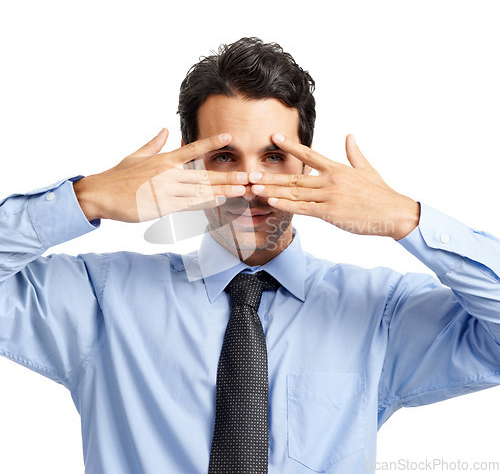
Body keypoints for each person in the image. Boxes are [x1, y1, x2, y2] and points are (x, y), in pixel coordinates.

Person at [1, 37, 499, 473]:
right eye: (224, 158)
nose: (251, 187)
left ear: (308, 166)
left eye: (275, 157)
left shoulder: (381, 313)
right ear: (190, 163)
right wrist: (83, 199)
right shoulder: (100, 301)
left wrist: (406, 219)